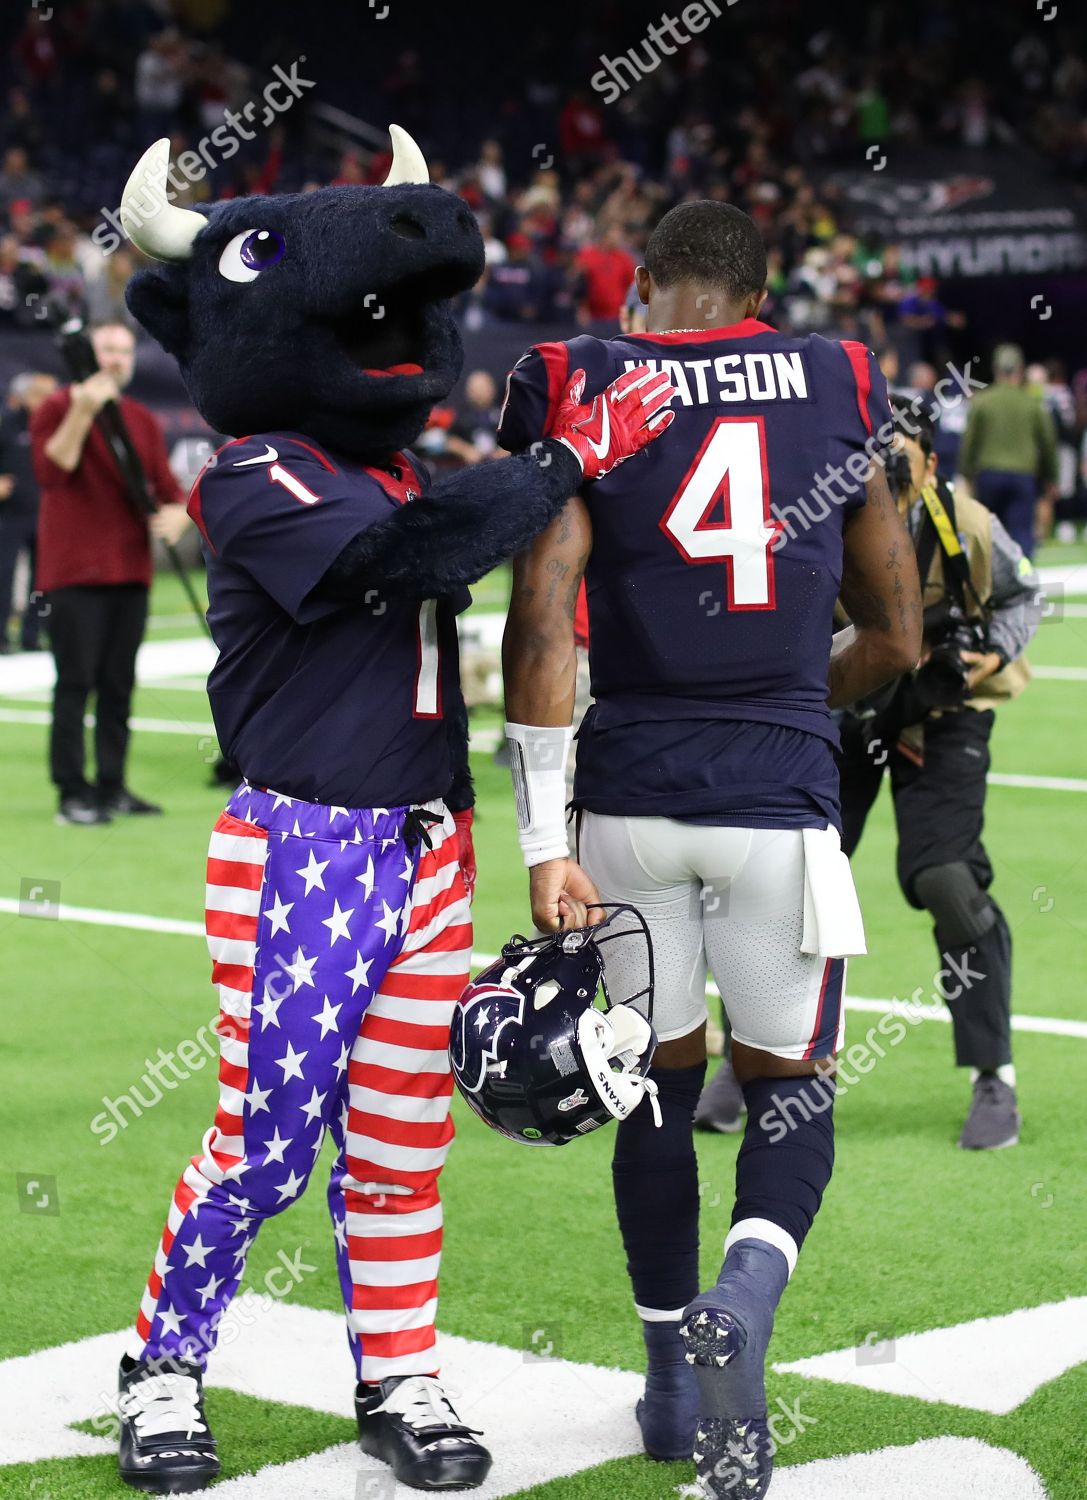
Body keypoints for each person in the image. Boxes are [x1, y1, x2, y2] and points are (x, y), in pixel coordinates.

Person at [112, 129, 674, 1495]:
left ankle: (396, 1369)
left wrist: (561, 459)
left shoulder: (397, 466)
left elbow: (451, 524)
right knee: (264, 1141)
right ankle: (163, 1366)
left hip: (424, 842)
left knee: (401, 1132)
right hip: (301, 845)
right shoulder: (252, 471)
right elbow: (400, 560)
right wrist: (558, 467)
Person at [500, 200, 921, 1500]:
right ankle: (739, 1298)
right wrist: (795, 702)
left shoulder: (589, 377)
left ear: (649, 287)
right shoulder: (837, 375)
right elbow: (898, 637)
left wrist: (536, 834)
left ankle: (669, 1385)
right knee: (787, 1092)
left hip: (627, 798)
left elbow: (541, 608)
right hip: (777, 802)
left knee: (652, 1092)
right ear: (751, 288)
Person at [836, 405, 1042, 1149]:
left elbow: (1024, 597)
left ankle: (993, 1074)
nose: (885, 472)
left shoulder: (968, 523)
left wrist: (987, 654)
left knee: (947, 879)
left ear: (928, 460)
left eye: (899, 458)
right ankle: (757, 1062)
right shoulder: (821, 515)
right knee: (791, 872)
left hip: (942, 714)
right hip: (845, 712)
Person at [30, 321, 190, 825]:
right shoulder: (58, 406)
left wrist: (180, 514)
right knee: (75, 683)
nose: (116, 359)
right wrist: (82, 407)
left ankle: (113, 783)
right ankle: (72, 791)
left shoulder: (141, 418)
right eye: (107, 349)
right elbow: (53, 469)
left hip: (130, 572)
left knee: (119, 684)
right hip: (74, 573)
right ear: (88, 354)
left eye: (124, 350)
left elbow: (168, 488)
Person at [959, 343, 1057, 559]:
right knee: (1022, 534)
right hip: (1023, 475)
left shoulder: (982, 402)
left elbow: (969, 442)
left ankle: (992, 585)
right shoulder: (1032, 403)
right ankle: (1023, 583)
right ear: (1020, 370)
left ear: (996, 369)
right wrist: (1051, 477)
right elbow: (1048, 443)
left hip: (988, 474)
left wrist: (966, 473)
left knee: (989, 533)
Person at [0, 371, 56, 652]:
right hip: (9, 515)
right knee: (4, 575)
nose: (48, 399)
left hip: (45, 514)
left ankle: (32, 635)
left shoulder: (56, 425)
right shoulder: (6, 424)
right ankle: (1, 637)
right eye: (41, 393)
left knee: (42, 581)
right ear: (25, 396)